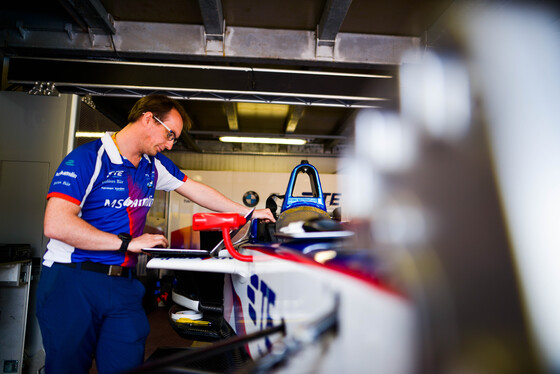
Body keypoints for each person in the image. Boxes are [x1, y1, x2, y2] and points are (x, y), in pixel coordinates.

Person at [36, 94, 275, 374]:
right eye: (170, 134)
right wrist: (127, 243)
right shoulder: (88, 159)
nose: (171, 144)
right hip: (72, 279)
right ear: (148, 118)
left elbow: (195, 190)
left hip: (123, 284)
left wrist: (247, 213)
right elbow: (56, 224)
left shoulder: (153, 165)